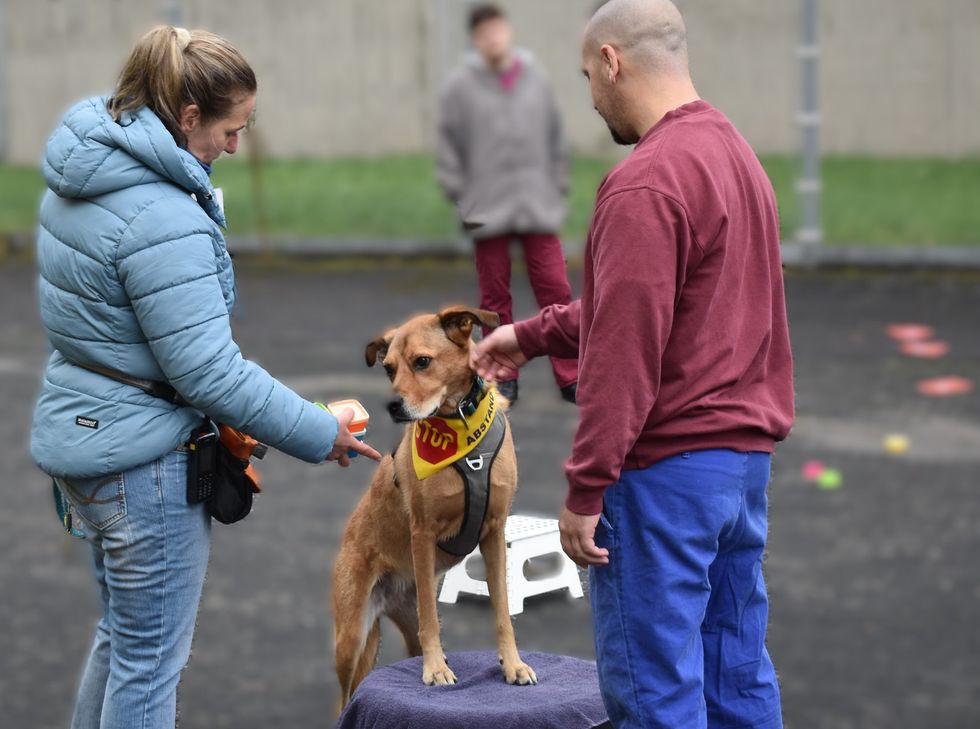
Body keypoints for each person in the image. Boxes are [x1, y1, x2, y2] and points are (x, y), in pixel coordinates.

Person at [30, 26, 379, 729]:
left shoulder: (81, 174)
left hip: (89, 442)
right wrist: (320, 431)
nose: (235, 145)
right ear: (188, 117)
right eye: (230, 128)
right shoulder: (162, 215)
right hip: (143, 467)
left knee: (124, 643)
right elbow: (209, 372)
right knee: (150, 664)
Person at [470, 1, 795, 727]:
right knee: (734, 679)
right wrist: (530, 335)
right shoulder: (736, 155)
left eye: (588, 75)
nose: (590, 95)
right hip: (740, 470)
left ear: (613, 61)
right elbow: (650, 307)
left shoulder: (645, 181)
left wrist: (587, 488)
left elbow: (624, 350)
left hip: (665, 477)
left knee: (655, 696)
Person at [436, 3, 579, 404]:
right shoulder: (462, 87)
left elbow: (554, 136)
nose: (493, 39)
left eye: (498, 30)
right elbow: (450, 146)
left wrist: (556, 186)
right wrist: (463, 198)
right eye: (484, 34)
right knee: (494, 299)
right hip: (488, 206)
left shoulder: (534, 79)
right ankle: (504, 371)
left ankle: (571, 373)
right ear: (475, 40)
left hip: (536, 203)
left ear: (507, 32)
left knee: (555, 287)